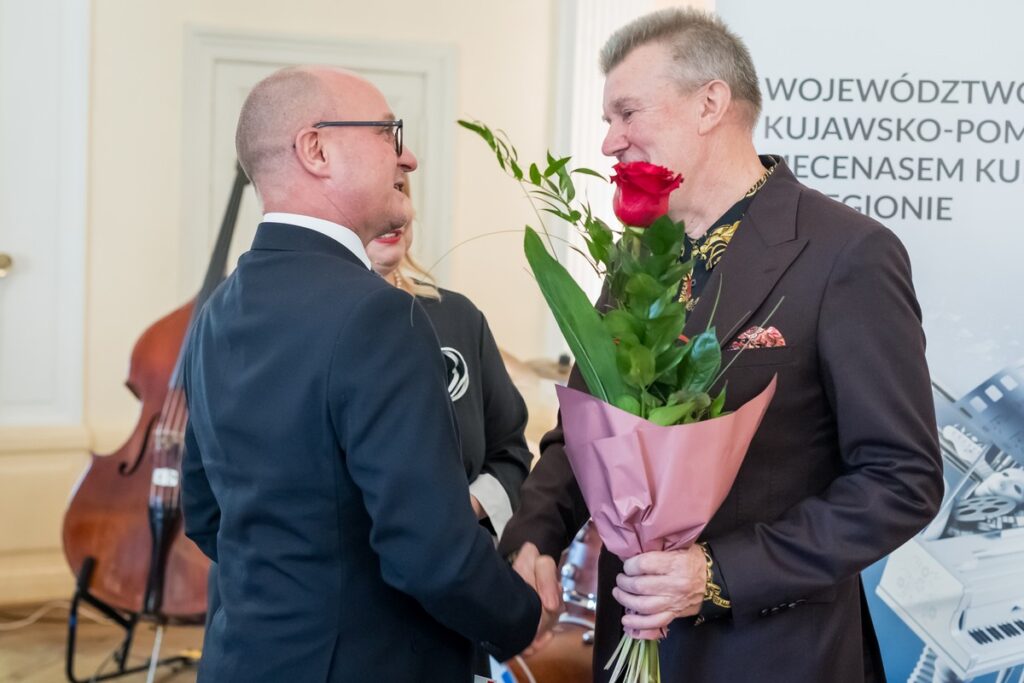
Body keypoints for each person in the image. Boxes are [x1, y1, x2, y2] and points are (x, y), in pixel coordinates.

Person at [498, 9, 944, 682]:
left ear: (711, 103)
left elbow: (901, 478)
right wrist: (536, 534)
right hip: (632, 650)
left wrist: (716, 574)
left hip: (777, 654)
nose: (610, 141)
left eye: (626, 113)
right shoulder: (636, 259)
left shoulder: (847, 253)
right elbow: (587, 430)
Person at [180, 65, 546, 683]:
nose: (409, 156)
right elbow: (430, 554)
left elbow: (205, 512)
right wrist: (523, 617)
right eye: (386, 132)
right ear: (316, 150)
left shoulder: (217, 308)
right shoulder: (377, 312)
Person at [365, 185, 533, 541]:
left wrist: (460, 510)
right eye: (377, 189)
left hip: (452, 569)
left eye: (400, 188)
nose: (396, 208)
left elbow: (511, 451)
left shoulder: (458, 317)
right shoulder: (307, 324)